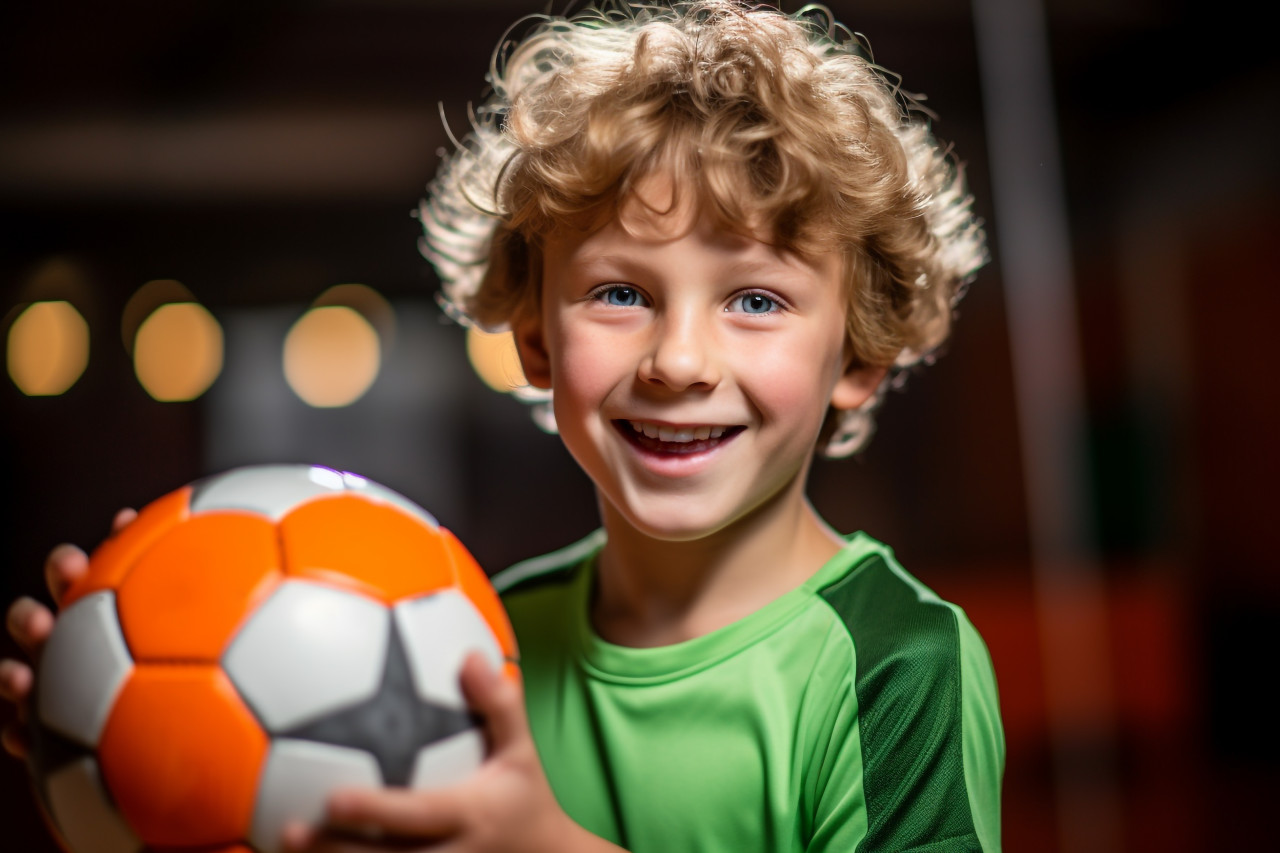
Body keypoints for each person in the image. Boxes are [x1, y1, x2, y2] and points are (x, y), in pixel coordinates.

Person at [1, 2, 1004, 850]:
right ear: (531, 340)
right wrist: (121, 733)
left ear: (860, 358)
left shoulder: (896, 662)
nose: (679, 360)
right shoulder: (461, 637)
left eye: (755, 301)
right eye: (618, 292)